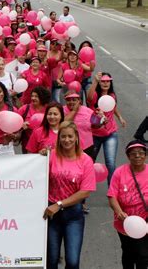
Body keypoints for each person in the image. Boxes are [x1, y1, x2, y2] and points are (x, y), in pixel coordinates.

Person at [43, 121, 96, 269]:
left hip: (73, 215)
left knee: (72, 262)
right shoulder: (51, 156)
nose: (67, 140)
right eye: (63, 136)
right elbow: (38, 177)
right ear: (58, 138)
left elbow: (85, 191)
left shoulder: (86, 160)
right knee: (51, 260)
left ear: (77, 137)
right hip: (51, 215)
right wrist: (40, 158)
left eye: (70, 136)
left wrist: (59, 205)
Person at [107, 140, 147, 269]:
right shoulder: (119, 172)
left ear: (146, 155)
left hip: (146, 223)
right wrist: (119, 212)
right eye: (133, 153)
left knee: (143, 255)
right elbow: (112, 195)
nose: (137, 156)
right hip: (125, 223)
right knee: (128, 253)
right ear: (128, 156)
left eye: (141, 153)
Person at [87, 72, 127, 184]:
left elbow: (113, 107)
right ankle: (83, 194)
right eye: (103, 81)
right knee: (89, 162)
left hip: (110, 134)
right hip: (95, 134)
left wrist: (120, 117)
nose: (105, 83)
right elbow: (89, 98)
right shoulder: (95, 95)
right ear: (100, 83)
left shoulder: (112, 95)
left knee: (110, 163)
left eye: (108, 81)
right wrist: (95, 81)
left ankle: (112, 193)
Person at [19, 86, 51, 153]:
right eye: (32, 96)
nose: (33, 98)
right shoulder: (24, 108)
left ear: (42, 97)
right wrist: (21, 125)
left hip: (44, 144)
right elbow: (14, 124)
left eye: (36, 96)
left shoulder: (49, 109)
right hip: (27, 144)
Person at [63, 91, 95, 158]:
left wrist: (101, 119)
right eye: (68, 100)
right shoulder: (61, 110)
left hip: (87, 147)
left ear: (79, 101)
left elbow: (97, 125)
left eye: (74, 100)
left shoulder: (88, 111)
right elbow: (64, 124)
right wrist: (74, 111)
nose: (71, 102)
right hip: (68, 146)